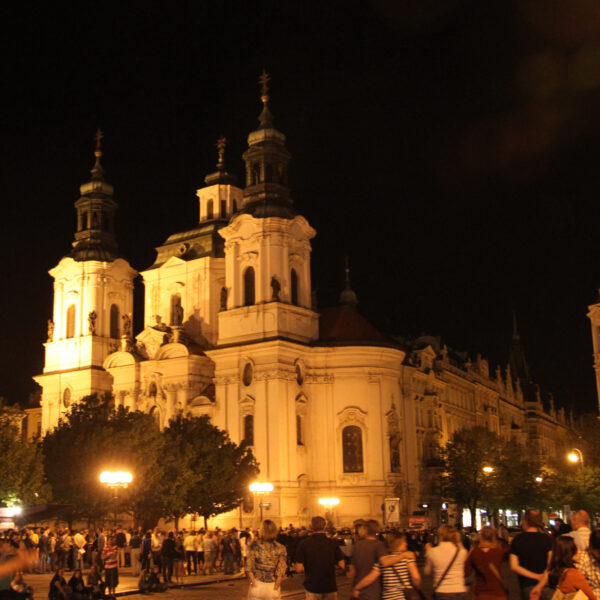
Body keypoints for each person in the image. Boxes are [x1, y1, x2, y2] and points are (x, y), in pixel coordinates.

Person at [351, 534, 420, 600]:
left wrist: (357, 587)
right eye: (404, 542)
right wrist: (416, 587)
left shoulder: (383, 561)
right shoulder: (408, 559)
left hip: (387, 597)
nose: (406, 544)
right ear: (399, 544)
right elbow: (416, 577)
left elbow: (370, 578)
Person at [295, 515, 345, 600]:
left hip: (312, 586)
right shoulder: (333, 543)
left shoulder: (304, 544)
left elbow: (299, 569)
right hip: (330, 586)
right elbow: (342, 565)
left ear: (311, 527)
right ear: (324, 526)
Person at [532, 536, 596, 600]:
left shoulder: (555, 572)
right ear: (569, 553)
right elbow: (591, 597)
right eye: (576, 549)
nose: (580, 552)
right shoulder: (573, 574)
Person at [509, 509, 553, 600]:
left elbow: (514, 566)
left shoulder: (517, 540)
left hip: (527, 586)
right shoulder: (547, 540)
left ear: (525, 521)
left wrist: (535, 576)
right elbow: (550, 565)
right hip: (546, 586)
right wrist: (541, 580)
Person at [246, 519, 287, 600]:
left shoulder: (254, 546)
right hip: (273, 585)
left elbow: (248, 567)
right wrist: (276, 587)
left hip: (257, 583)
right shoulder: (281, 547)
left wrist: (253, 583)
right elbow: (281, 570)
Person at [424, 525, 468, 600]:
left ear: (440, 536)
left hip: (441, 591)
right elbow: (464, 553)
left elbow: (427, 572)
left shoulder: (433, 552)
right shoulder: (461, 552)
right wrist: (458, 541)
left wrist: (427, 552)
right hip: (459, 589)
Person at [465, 526, 508, 600]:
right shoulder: (498, 552)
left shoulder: (475, 553)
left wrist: (471, 551)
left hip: (482, 593)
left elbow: (467, 572)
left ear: (480, 537)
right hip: (498, 593)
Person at [348, 520, 387, 600]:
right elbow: (384, 563)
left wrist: (353, 588)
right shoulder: (379, 545)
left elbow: (352, 571)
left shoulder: (357, 545)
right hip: (374, 591)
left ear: (365, 530)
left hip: (358, 591)